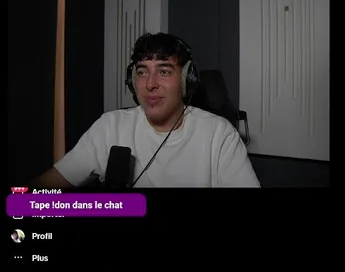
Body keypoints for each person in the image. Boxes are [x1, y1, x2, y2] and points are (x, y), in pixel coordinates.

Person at [30, 32, 259, 189]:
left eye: (164, 71)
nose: (150, 83)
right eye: (142, 72)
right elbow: (45, 187)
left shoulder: (220, 135)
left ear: (186, 81)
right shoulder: (110, 126)